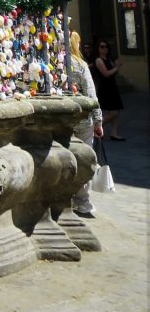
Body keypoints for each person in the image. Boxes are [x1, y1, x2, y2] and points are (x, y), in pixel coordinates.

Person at [68, 30, 103, 219]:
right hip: (82, 121)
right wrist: (98, 120)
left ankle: (67, 198)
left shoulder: (58, 64)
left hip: (64, 121)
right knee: (84, 159)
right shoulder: (80, 64)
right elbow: (91, 95)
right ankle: (82, 202)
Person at [93, 38, 125, 140]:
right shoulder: (98, 60)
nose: (104, 49)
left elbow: (113, 72)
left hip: (112, 86)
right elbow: (106, 73)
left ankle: (114, 133)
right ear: (98, 48)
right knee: (113, 112)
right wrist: (117, 67)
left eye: (106, 47)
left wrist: (116, 66)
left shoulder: (108, 59)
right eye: (102, 47)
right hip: (105, 87)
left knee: (115, 111)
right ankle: (96, 128)